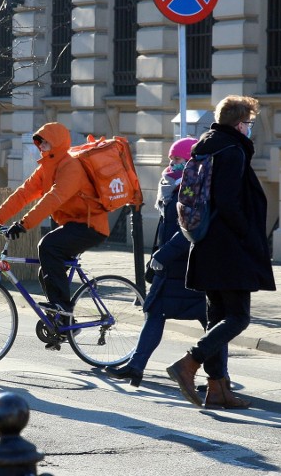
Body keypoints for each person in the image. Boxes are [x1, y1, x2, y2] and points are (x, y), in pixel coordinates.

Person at [166, 95, 275, 409]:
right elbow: (228, 201)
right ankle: (189, 362)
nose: (250, 129)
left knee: (217, 316)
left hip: (205, 243)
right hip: (230, 247)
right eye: (249, 124)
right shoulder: (233, 150)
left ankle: (217, 389)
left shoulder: (206, 146)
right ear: (240, 123)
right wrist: (246, 234)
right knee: (238, 317)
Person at [106, 137, 210, 387]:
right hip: (172, 269)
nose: (171, 164)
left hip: (191, 269)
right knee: (155, 313)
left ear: (191, 163)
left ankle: (220, 379)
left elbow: (188, 231)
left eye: (177, 160)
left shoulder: (191, 189)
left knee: (213, 325)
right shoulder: (174, 189)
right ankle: (135, 367)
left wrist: (161, 256)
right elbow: (167, 231)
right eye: (171, 159)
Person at [0, 122, 108, 314]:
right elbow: (23, 194)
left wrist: (23, 224)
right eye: (39, 142)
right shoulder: (47, 167)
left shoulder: (71, 167)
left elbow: (53, 198)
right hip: (73, 223)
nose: (41, 145)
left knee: (48, 246)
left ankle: (63, 308)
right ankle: (62, 321)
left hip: (91, 225)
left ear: (57, 143)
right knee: (46, 273)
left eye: (45, 142)